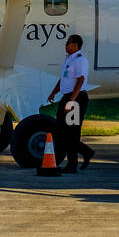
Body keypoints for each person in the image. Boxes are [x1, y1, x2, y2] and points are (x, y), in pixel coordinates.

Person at [47, 33, 94, 172]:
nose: (66, 45)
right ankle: (83, 155)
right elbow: (64, 79)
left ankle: (75, 162)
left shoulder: (80, 60)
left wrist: (72, 101)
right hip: (67, 97)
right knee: (61, 131)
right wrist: (54, 91)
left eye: (68, 43)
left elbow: (80, 80)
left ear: (75, 45)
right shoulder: (69, 59)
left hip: (76, 98)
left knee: (70, 132)